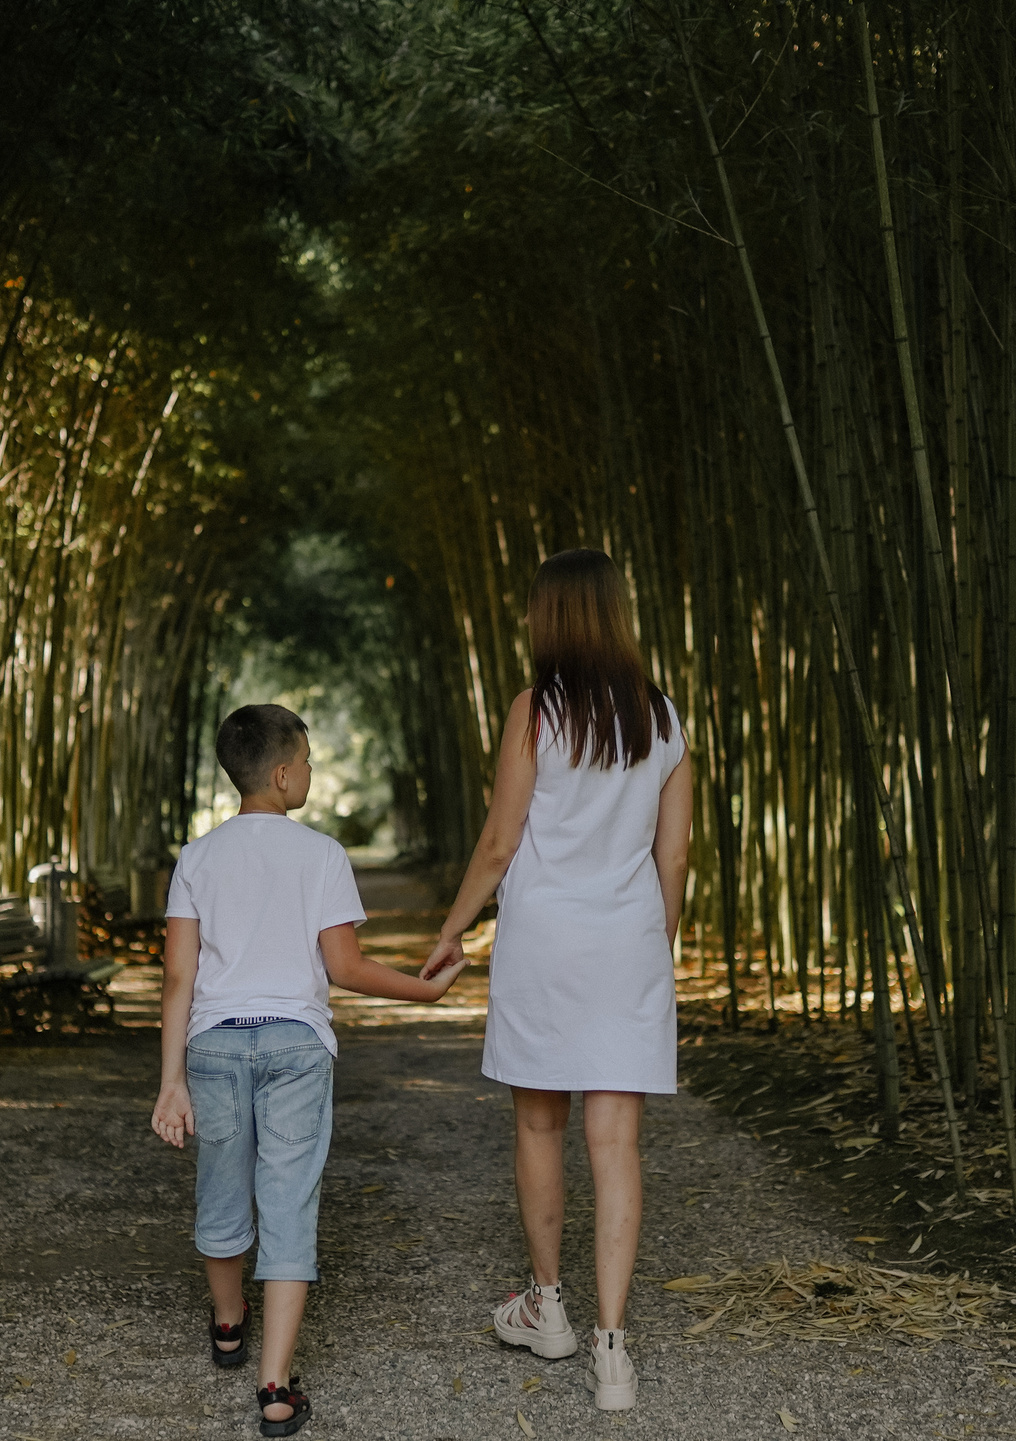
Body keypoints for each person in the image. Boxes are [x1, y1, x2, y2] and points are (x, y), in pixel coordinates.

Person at [420, 548, 692, 1413]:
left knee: (539, 1126)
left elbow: (500, 842)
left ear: (553, 617)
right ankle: (613, 1352)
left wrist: (451, 929)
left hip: (544, 944)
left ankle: (550, 1307)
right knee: (616, 1145)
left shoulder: (536, 712)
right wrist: (654, 943)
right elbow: (674, 854)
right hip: (627, 945)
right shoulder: (663, 719)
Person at [150, 703, 461, 1437]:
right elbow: (345, 967)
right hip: (295, 1043)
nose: (313, 772)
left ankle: (229, 1325)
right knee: (287, 1204)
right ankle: (274, 1383)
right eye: (311, 761)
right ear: (284, 773)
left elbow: (176, 979)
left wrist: (171, 1079)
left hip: (216, 1044)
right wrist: (427, 987)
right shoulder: (321, 854)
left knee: (221, 1189)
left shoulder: (197, 857)